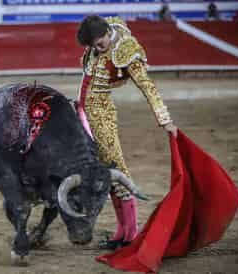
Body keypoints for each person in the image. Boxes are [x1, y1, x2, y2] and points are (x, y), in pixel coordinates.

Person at [75, 15, 177, 250]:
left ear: (107, 33)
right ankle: (121, 231)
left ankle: (131, 234)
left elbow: (148, 87)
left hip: (101, 118)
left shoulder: (126, 51)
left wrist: (165, 120)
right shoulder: (98, 42)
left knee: (117, 172)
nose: (96, 49)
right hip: (84, 117)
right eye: (92, 45)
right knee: (108, 175)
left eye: (99, 43)